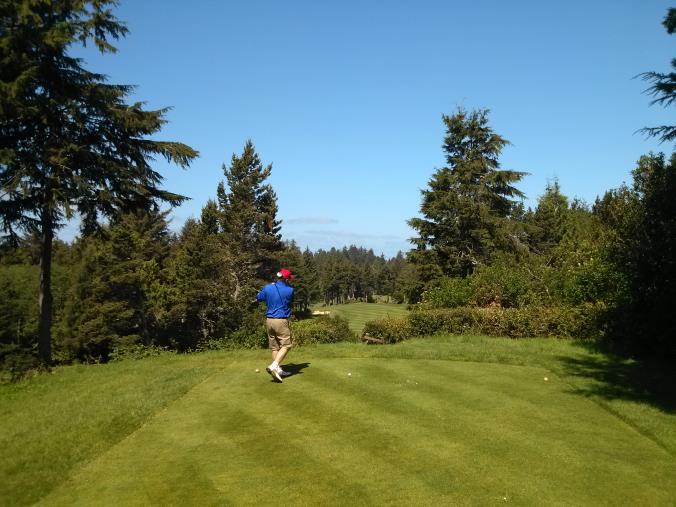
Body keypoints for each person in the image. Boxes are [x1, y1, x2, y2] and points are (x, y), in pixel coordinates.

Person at [256, 268, 295, 382]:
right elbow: (290, 300)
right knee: (287, 345)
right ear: (286, 279)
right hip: (281, 321)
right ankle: (274, 365)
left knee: (275, 347)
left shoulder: (268, 287)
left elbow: (259, 298)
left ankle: (278, 370)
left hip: (269, 321)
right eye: (289, 279)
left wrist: (264, 290)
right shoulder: (290, 290)